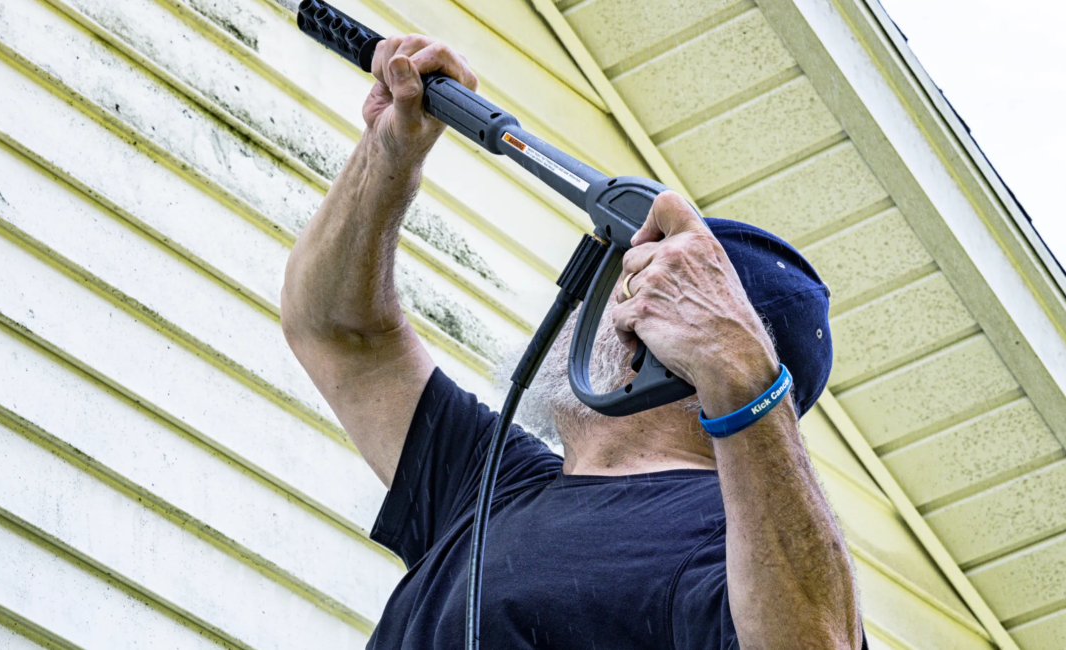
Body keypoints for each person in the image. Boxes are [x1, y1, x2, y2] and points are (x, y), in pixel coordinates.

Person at [281, 34, 865, 650]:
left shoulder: (729, 544)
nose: (576, 304)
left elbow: (815, 641)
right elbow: (337, 332)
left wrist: (742, 372)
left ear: (672, 341)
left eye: (616, 278)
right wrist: (388, 155)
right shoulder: (494, 482)